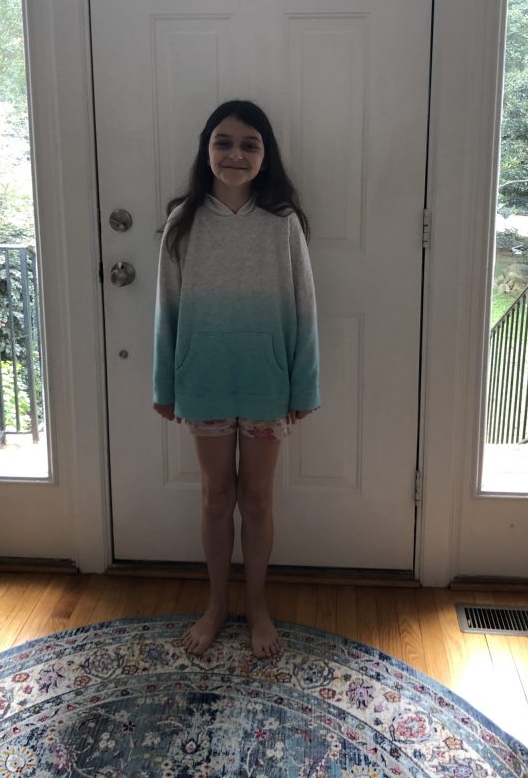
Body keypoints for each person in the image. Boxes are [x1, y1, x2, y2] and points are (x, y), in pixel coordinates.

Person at [153, 100, 320, 659]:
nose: (235, 154)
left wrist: (304, 387)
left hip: (268, 387)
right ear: (206, 149)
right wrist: (164, 386)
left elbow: (305, 310)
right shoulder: (183, 222)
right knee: (215, 497)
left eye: (250, 144)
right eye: (223, 142)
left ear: (265, 156)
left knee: (257, 499)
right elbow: (166, 311)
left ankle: (257, 606)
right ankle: (217, 604)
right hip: (202, 385)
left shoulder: (283, 223)